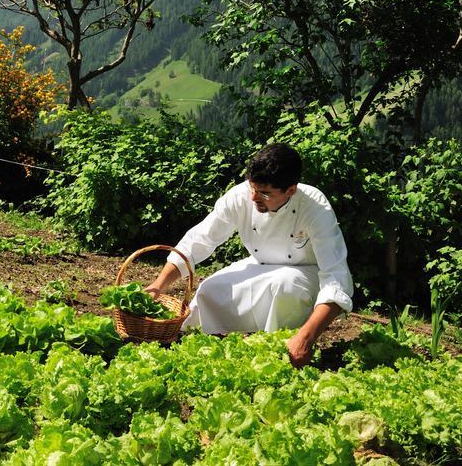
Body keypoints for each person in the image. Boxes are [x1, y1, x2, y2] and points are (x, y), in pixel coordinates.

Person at [145, 143, 353, 367]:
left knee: (284, 286)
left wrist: (307, 338)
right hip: (260, 264)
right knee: (210, 289)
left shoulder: (315, 207)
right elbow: (200, 240)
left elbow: (336, 277)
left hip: (307, 274)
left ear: (291, 190)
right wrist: (158, 286)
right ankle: (210, 350)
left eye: (265, 193)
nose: (254, 198)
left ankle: (282, 351)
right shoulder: (242, 196)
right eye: (252, 188)